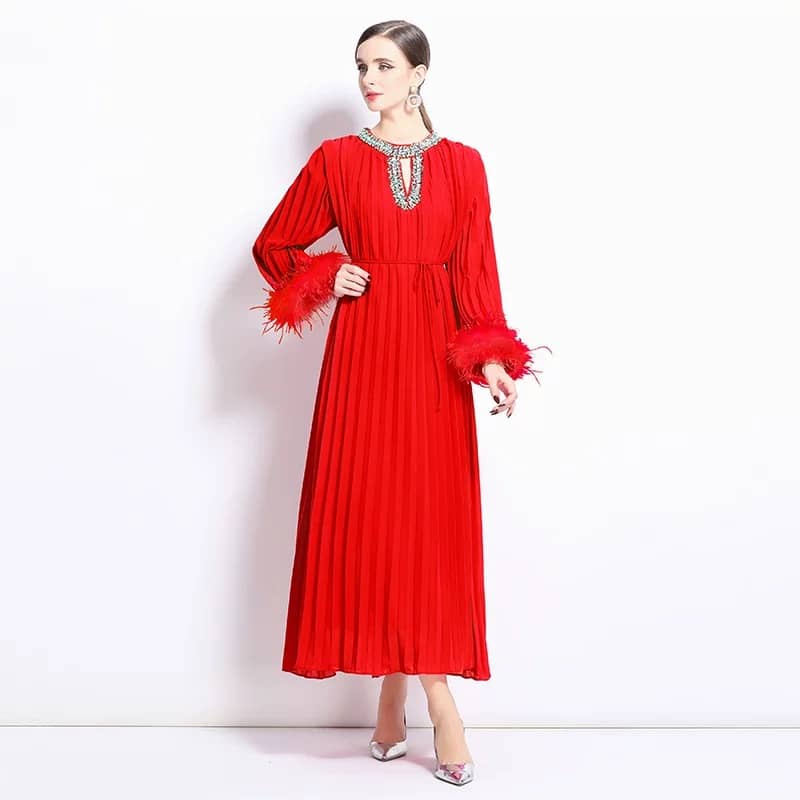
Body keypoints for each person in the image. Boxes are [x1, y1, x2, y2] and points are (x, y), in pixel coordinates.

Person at [250, 19, 551, 786]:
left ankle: (402, 695)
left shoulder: (464, 165)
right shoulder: (336, 159)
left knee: (427, 526)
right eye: (361, 66)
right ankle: (436, 705)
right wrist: (329, 274)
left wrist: (492, 362)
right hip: (363, 354)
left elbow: (476, 271)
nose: (369, 79)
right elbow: (275, 245)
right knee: (374, 517)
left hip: (434, 360)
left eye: (384, 65)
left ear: (419, 73)